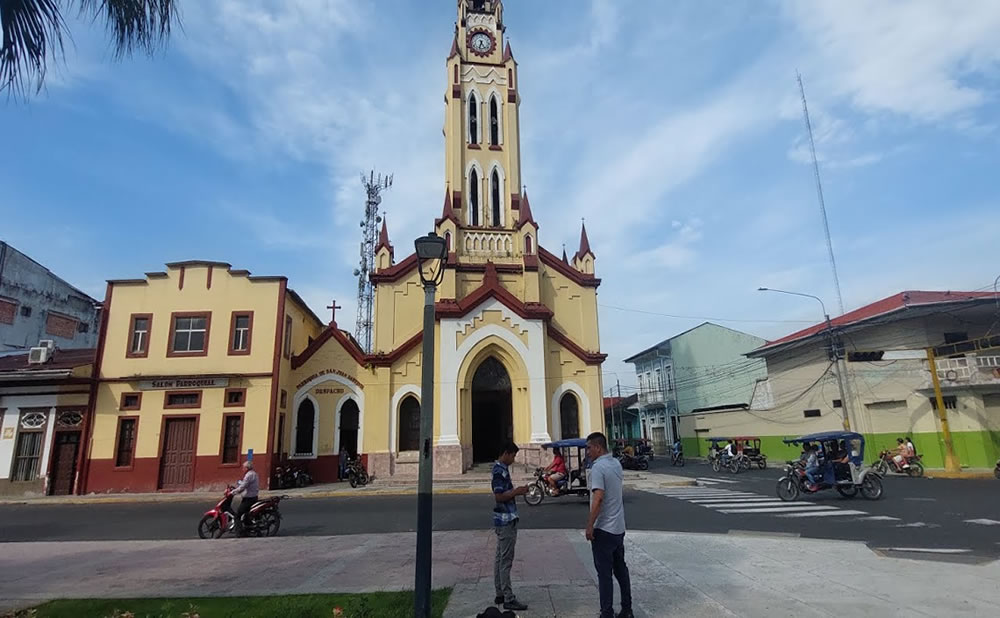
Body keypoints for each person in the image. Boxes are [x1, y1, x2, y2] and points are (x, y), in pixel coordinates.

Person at [585, 431, 633, 618]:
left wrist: (590, 525)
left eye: (589, 448)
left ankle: (607, 613)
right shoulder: (616, 464)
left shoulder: (598, 468)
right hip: (618, 528)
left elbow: (599, 497)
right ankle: (627, 609)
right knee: (621, 570)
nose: (588, 452)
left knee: (604, 575)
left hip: (603, 529)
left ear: (598, 447)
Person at [491, 442, 529, 611]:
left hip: (504, 519)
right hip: (506, 520)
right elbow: (499, 496)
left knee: (500, 558)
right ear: (505, 453)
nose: (514, 459)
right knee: (505, 561)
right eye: (513, 455)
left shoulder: (502, 469)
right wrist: (517, 491)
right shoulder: (499, 471)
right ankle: (508, 597)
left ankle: (500, 593)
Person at [234, 460, 259, 536]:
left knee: (237, 515)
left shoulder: (249, 475)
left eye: (243, 467)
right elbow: (244, 484)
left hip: (249, 498)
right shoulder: (254, 473)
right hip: (252, 497)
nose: (242, 469)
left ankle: (240, 533)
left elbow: (243, 486)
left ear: (247, 468)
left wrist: (233, 492)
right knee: (245, 514)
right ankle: (248, 529)